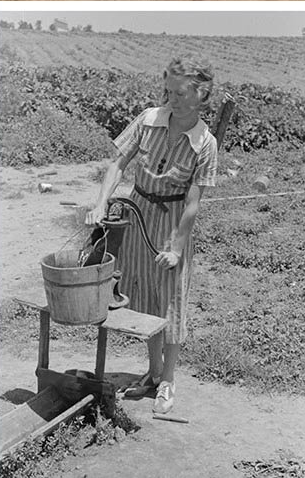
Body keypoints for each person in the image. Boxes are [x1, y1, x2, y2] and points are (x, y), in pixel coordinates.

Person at [86, 59, 219, 415]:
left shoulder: (205, 143)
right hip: (138, 214)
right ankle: (153, 370)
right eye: (168, 90)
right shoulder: (147, 120)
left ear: (201, 95)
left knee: (171, 301)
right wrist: (100, 204)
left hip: (173, 221)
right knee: (143, 295)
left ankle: (169, 379)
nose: (171, 98)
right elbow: (117, 164)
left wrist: (176, 249)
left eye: (180, 92)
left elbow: (193, 203)